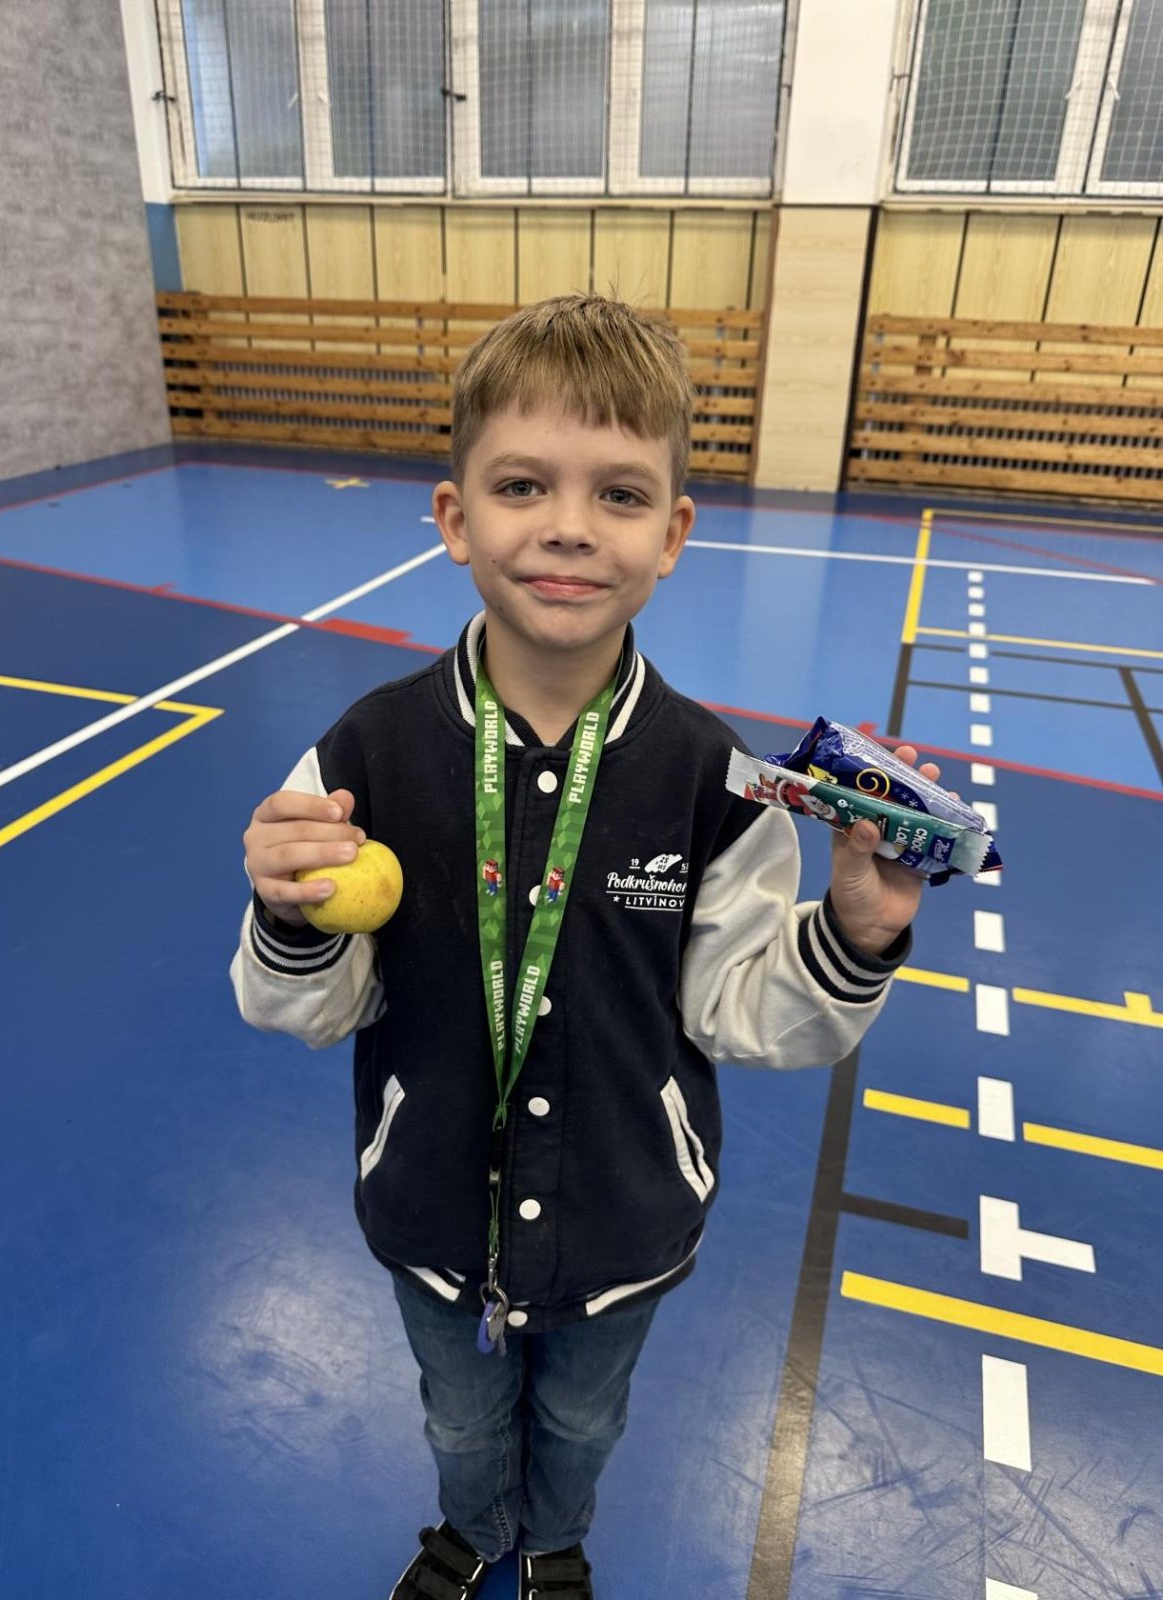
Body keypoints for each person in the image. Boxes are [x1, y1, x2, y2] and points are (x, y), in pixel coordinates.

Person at [232, 294, 940, 1600]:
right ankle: (472, 1528)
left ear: (672, 534)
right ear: (455, 517)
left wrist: (856, 929)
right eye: (522, 485)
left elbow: (742, 1014)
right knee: (459, 1416)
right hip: (432, 1208)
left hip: (625, 1217)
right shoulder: (363, 756)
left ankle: (554, 1536)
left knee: (580, 1416)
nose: (568, 526)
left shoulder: (721, 781)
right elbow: (299, 1010)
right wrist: (286, 913)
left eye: (619, 494)